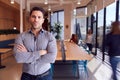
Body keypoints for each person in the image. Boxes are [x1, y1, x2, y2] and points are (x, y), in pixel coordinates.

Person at [13, 7, 57, 80]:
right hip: (26, 76)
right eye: (33, 16)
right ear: (30, 18)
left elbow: (52, 58)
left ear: (43, 20)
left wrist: (28, 55)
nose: (36, 20)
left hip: (45, 75)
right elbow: (18, 57)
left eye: (39, 17)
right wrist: (40, 53)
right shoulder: (21, 36)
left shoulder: (50, 36)